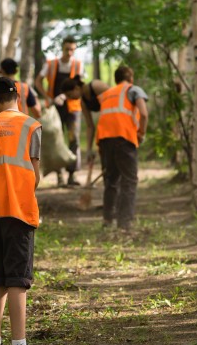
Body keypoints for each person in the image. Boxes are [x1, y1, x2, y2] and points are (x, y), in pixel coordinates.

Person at [0, 77, 44, 345]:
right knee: (18, 281)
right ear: (18, 97)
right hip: (18, 211)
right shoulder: (31, 126)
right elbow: (35, 174)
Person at [95, 66, 149, 231]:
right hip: (124, 138)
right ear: (130, 78)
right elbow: (144, 113)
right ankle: (124, 224)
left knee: (111, 181)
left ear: (116, 79)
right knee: (129, 180)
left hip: (104, 140)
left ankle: (107, 220)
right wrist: (141, 133)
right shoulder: (133, 89)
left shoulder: (106, 94)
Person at [35, 36, 84, 187]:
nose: (69, 53)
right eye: (67, 49)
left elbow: (80, 84)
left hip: (73, 108)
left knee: (73, 138)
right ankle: (59, 175)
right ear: (62, 48)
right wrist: (48, 97)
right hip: (54, 109)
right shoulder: (51, 64)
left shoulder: (78, 65)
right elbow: (38, 81)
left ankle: (72, 174)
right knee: (56, 140)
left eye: (72, 50)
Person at [58, 76, 110, 165]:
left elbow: (114, 100)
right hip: (105, 127)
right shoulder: (83, 103)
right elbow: (90, 126)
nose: (70, 99)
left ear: (76, 88)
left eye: (70, 95)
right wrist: (89, 149)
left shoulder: (96, 86)